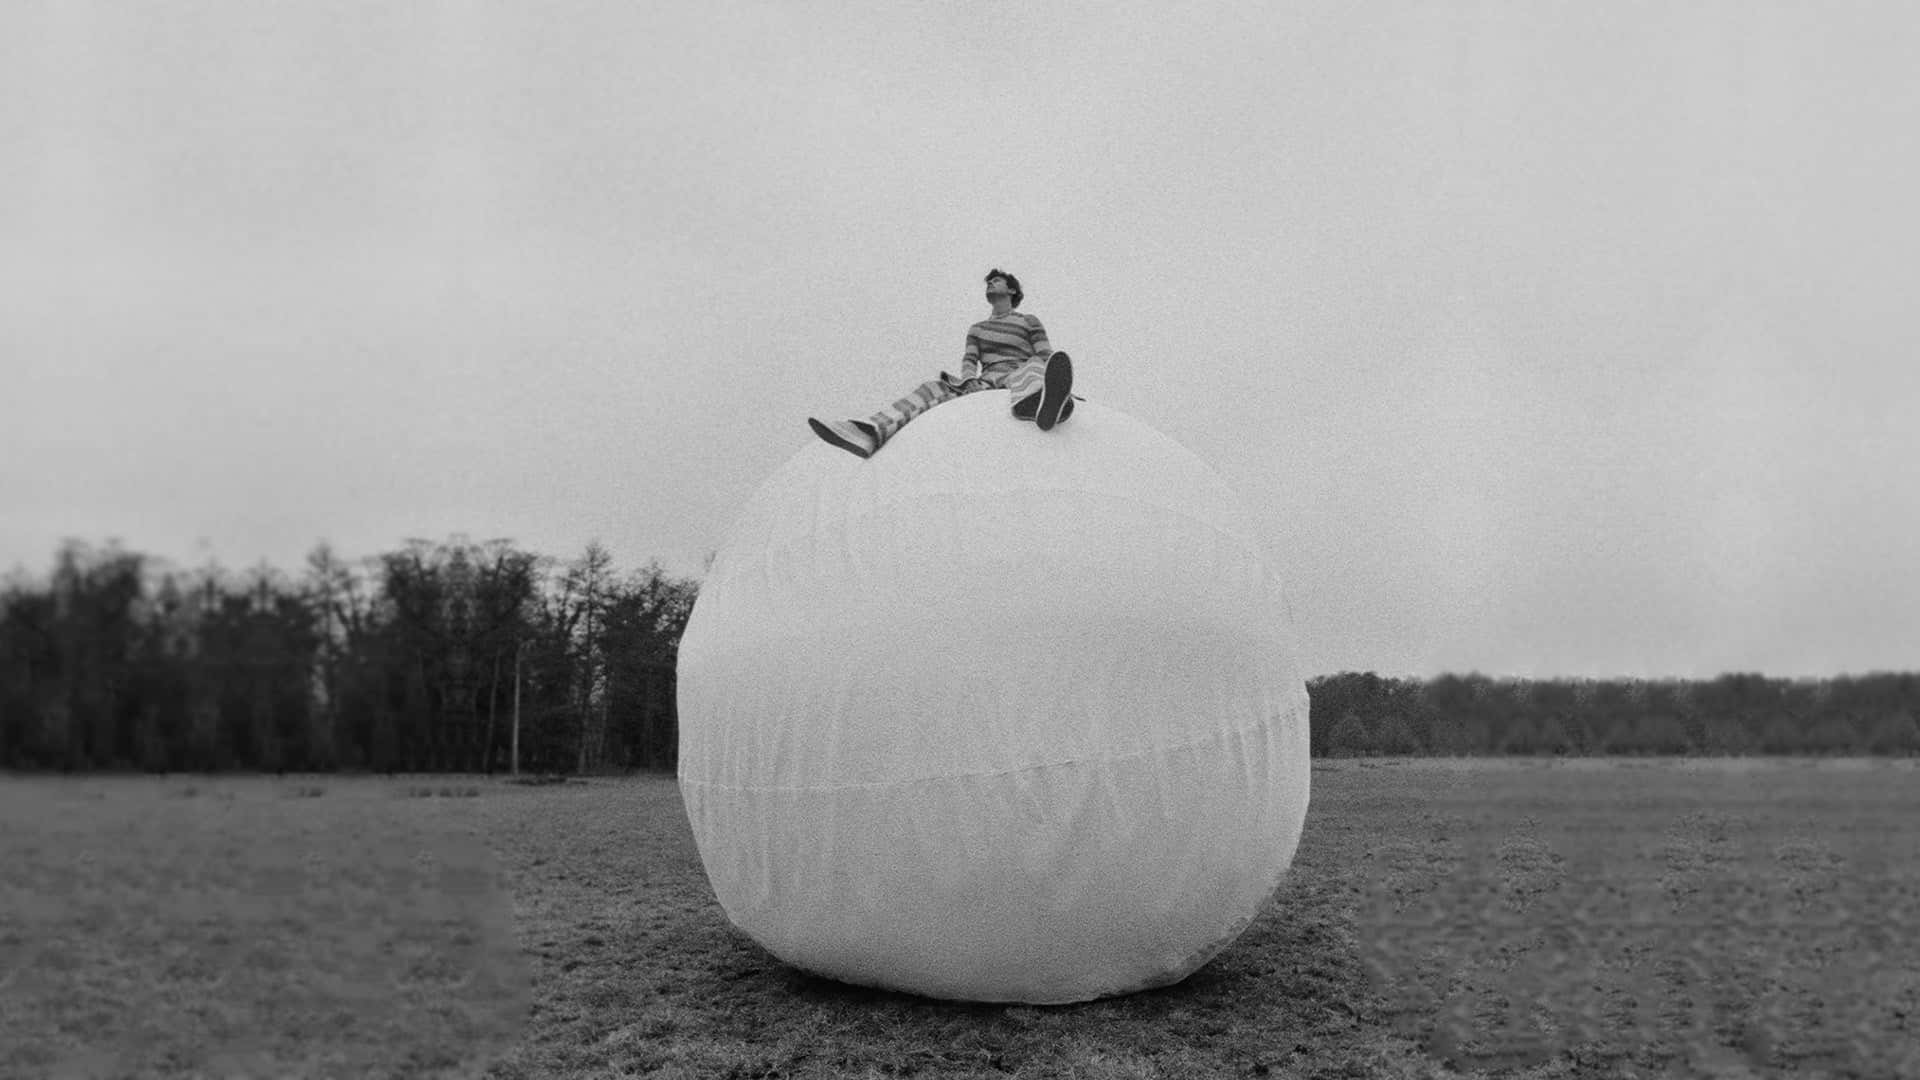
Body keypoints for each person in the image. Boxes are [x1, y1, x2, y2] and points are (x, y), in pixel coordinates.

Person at [808, 269, 1076, 459]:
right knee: (931, 388)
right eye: (988, 283)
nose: (990, 285)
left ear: (1012, 290)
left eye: (996, 281)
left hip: (1021, 370)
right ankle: (868, 430)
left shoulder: (1028, 321)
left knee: (1033, 368)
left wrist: (1045, 373)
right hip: (989, 378)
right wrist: (969, 382)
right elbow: (970, 360)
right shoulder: (977, 328)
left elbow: (1044, 354)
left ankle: (1041, 402)